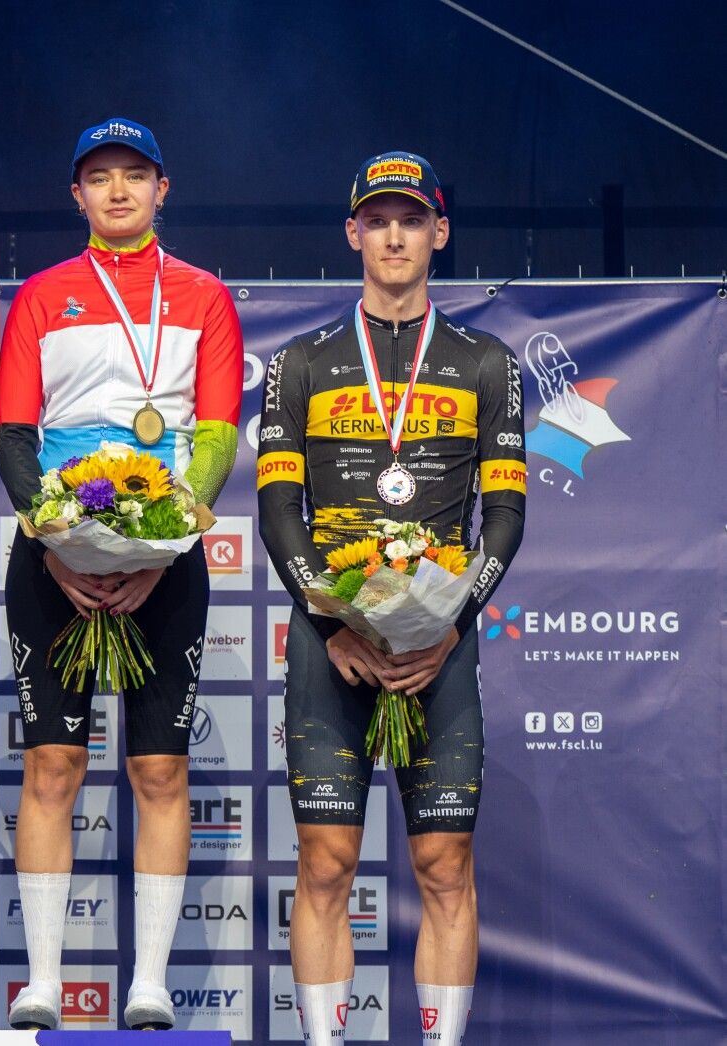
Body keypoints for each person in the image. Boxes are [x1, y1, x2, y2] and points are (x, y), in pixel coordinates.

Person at [257, 152, 525, 1046]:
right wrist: (333, 624)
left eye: (412, 220)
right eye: (378, 221)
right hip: (330, 645)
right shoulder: (299, 362)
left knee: (445, 865)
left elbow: (506, 517)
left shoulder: (487, 362)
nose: (395, 237)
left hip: (439, 645)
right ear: (353, 234)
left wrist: (450, 626)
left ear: (439, 232)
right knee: (326, 862)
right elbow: (277, 511)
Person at [0, 118, 243, 1030]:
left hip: (165, 560)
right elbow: (14, 438)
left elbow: (216, 437)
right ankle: (44, 983)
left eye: (134, 175)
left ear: (161, 188)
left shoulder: (205, 296)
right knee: (52, 764)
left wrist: (163, 548)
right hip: (52, 555)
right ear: (77, 196)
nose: (118, 190)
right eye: (99, 177)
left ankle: (150, 984)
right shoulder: (41, 296)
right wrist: (54, 542)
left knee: (160, 769)